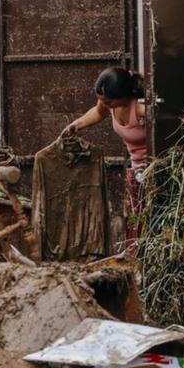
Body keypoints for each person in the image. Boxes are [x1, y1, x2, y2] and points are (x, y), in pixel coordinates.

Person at [62, 67, 149, 248]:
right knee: (137, 220)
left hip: (153, 170)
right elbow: (99, 112)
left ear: (123, 96)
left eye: (109, 102)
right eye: (102, 101)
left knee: (149, 221)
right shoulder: (108, 104)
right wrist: (76, 125)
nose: (105, 105)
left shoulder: (140, 108)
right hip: (137, 171)